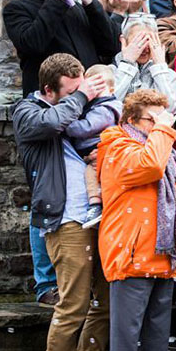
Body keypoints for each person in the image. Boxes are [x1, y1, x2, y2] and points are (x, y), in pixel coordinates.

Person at [11, 53, 109, 351]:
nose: (78, 98)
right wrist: (82, 97)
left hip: (99, 217)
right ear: (49, 90)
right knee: (75, 302)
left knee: (105, 302)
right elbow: (50, 124)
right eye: (69, 92)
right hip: (65, 219)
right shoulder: (26, 111)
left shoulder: (78, 106)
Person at [96, 89, 176, 351]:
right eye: (153, 118)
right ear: (132, 119)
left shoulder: (158, 144)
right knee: (126, 333)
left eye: (163, 118)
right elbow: (149, 168)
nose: (162, 124)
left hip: (161, 255)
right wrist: (165, 130)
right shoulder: (117, 145)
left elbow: (165, 187)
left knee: (155, 333)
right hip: (131, 252)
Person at [3, 0, 119, 96]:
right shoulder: (17, 8)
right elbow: (32, 44)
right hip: (48, 103)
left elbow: (111, 47)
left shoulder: (78, 8)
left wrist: (91, 4)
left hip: (87, 101)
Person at [64, 64, 122, 229]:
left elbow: (86, 128)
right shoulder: (94, 106)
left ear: (112, 90)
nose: (95, 94)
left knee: (92, 173)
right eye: (91, 88)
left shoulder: (105, 109)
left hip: (101, 151)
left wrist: (65, 124)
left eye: (100, 88)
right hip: (90, 150)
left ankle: (96, 206)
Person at [113, 15, 176, 115]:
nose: (144, 48)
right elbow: (108, 105)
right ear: (123, 41)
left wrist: (159, 67)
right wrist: (127, 64)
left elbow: (172, 108)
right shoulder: (110, 71)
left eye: (148, 40)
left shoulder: (169, 75)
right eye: (138, 41)